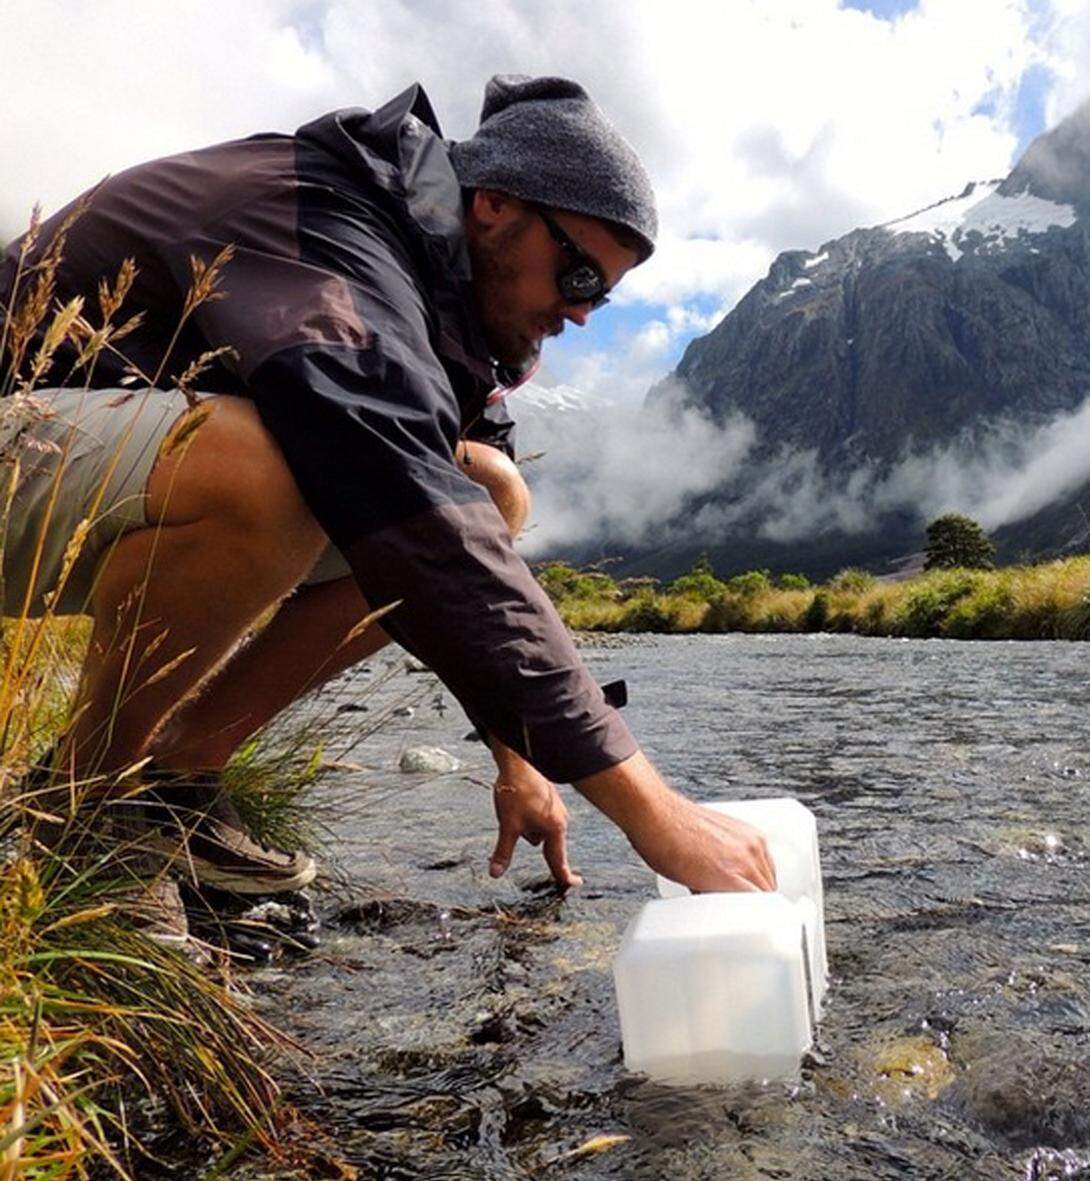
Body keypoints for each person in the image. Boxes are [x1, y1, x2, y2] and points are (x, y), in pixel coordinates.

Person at [0, 75, 775, 939]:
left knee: (490, 486)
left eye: (606, 294)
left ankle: (174, 776)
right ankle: (88, 810)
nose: (585, 312)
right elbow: (407, 504)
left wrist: (520, 764)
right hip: (20, 431)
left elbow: (468, 542)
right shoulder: (327, 226)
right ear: (495, 205)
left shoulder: (443, 312)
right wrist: (652, 811)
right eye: (580, 271)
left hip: (80, 481)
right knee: (266, 469)